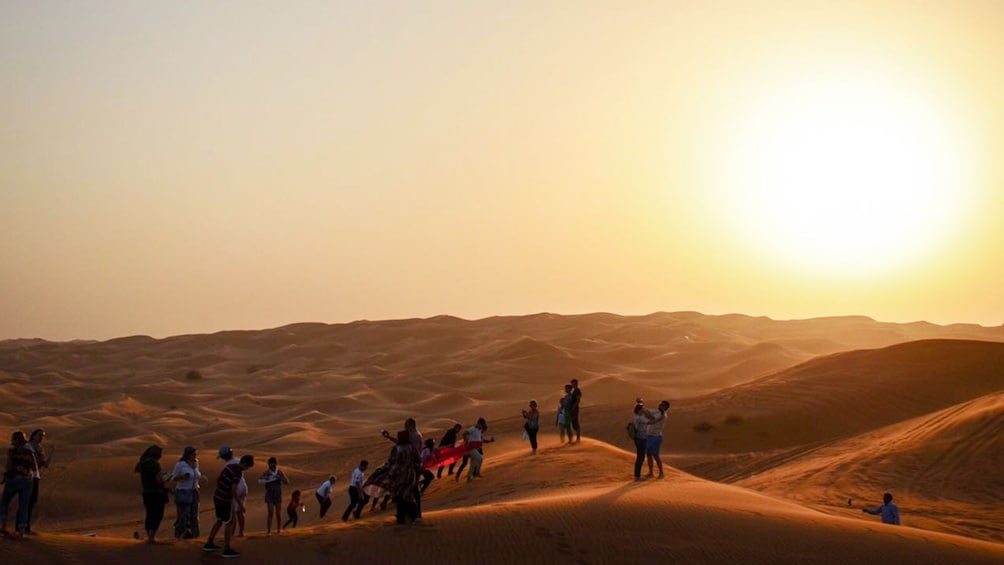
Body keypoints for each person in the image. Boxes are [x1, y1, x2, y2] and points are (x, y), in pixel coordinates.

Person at [204, 450, 254, 558]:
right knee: (229, 522)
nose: (246, 469)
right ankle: (227, 549)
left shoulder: (229, 467)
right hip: (225, 499)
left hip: (217, 496)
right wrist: (240, 504)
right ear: (245, 464)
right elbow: (233, 489)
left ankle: (209, 543)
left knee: (220, 520)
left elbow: (219, 479)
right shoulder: (237, 472)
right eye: (247, 467)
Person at [1, 430, 37, 540]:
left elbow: (9, 466)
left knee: (4, 501)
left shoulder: (12, 451)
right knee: (24, 505)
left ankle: (3, 526)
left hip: (15, 478)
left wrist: (7, 474)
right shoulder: (29, 452)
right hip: (28, 480)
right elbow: (34, 467)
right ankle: (21, 531)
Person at [134, 444, 169, 544]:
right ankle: (151, 538)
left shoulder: (143, 464)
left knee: (149, 514)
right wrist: (165, 479)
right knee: (157, 514)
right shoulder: (155, 464)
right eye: (159, 454)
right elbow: (159, 480)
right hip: (156, 493)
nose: (161, 456)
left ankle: (150, 536)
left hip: (146, 492)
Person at [169, 446, 205, 539]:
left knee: (194, 515)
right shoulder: (180, 465)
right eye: (193, 454)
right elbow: (173, 478)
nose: (195, 456)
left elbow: (196, 475)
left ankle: (195, 536)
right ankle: (178, 535)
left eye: (195, 454)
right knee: (184, 516)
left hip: (194, 491)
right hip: (183, 492)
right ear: (187, 455)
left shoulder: (196, 463)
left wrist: (201, 477)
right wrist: (182, 477)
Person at [387, 430, 422, 525]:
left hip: (398, 475)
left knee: (399, 496)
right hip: (410, 474)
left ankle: (401, 518)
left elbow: (391, 461)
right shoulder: (412, 448)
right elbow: (418, 460)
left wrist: (390, 473)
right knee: (408, 496)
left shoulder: (396, 449)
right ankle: (415, 516)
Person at [25, 428, 52, 535]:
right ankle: (22, 526)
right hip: (27, 476)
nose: (41, 437)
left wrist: (51, 452)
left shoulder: (39, 449)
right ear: (34, 435)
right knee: (26, 501)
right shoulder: (27, 447)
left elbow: (45, 464)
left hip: (35, 476)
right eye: (40, 435)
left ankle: (25, 526)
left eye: (43, 436)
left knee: (32, 501)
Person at [258, 456, 289, 536]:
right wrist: (266, 478)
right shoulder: (267, 472)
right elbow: (260, 480)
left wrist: (280, 478)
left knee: (278, 513)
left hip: (277, 494)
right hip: (269, 494)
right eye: (270, 464)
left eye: (272, 463)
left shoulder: (279, 472)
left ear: (275, 464)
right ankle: (268, 531)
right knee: (270, 512)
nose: (271, 465)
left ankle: (279, 529)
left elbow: (287, 482)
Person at [643, 400, 670, 479]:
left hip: (656, 437)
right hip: (649, 436)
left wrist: (644, 410)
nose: (660, 406)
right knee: (648, 454)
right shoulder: (656, 412)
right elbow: (648, 412)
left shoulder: (663, 415)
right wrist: (642, 407)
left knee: (655, 455)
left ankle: (661, 473)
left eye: (663, 405)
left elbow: (650, 417)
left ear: (666, 408)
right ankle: (651, 473)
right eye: (661, 404)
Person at [631, 403, 650, 481]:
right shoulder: (639, 418)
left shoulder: (637, 417)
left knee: (640, 456)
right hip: (641, 438)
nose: (643, 410)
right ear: (639, 410)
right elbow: (651, 421)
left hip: (639, 437)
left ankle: (637, 475)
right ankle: (637, 476)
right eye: (642, 409)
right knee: (640, 457)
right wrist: (661, 417)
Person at [569, 378, 583, 443]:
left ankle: (578, 438)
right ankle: (576, 438)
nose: (572, 384)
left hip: (575, 409)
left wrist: (574, 407)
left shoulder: (577, 391)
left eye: (573, 383)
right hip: (572, 408)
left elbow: (578, 400)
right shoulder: (574, 391)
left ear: (576, 383)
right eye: (571, 383)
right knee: (573, 422)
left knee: (575, 422)